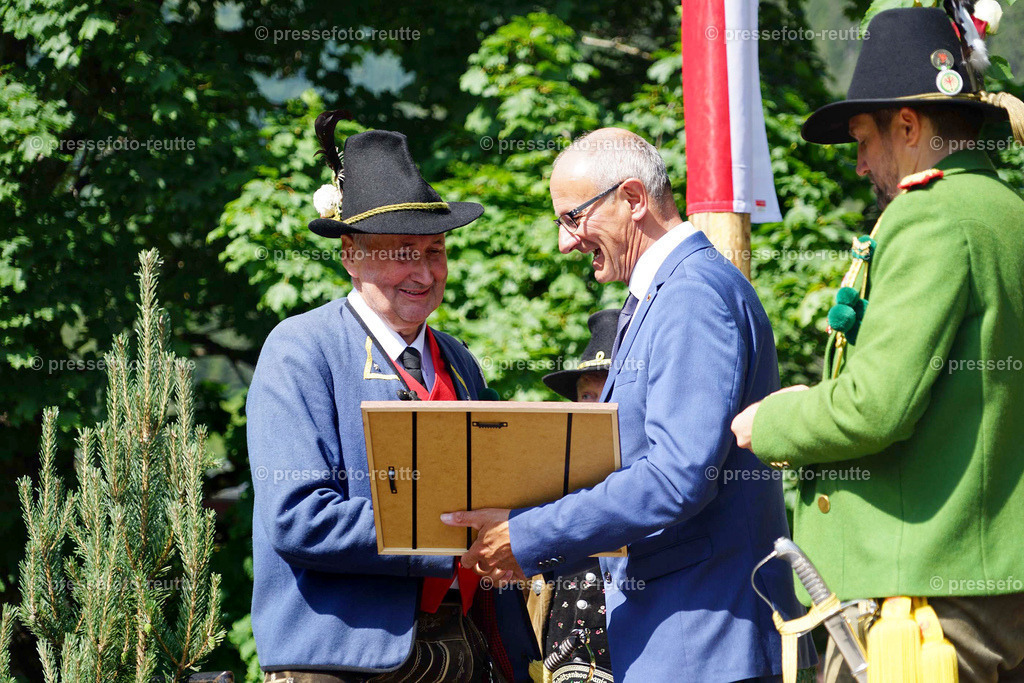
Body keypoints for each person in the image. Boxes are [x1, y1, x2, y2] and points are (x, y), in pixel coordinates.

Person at [443, 128, 813, 682]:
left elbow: (677, 476)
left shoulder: (691, 293)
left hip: (704, 641)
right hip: (687, 635)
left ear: (634, 199)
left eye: (573, 218)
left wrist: (530, 534)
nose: (566, 243)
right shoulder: (672, 288)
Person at [729, 7, 1024, 682]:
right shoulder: (1006, 212)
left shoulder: (930, 216)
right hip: (991, 583)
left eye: (863, 139)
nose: (860, 163)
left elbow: (877, 405)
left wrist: (774, 417)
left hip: (926, 591)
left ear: (911, 126)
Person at [247, 119, 537, 682]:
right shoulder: (300, 349)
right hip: (344, 657)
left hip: (472, 643)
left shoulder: (458, 359)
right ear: (349, 255)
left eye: (435, 251)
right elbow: (299, 519)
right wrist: (457, 533)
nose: (425, 273)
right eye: (403, 253)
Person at [529, 309, 619, 680]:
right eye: (586, 394)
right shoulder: (551, 467)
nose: (594, 406)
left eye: (607, 392)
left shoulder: (660, 471)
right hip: (562, 641)